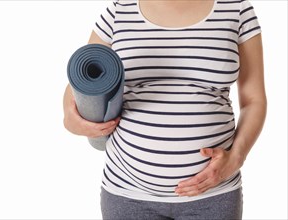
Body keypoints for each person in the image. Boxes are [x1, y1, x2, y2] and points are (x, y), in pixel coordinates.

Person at [63, 0, 267, 219]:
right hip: (127, 193)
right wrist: (70, 119)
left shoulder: (236, 8)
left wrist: (236, 158)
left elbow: (254, 99)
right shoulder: (120, 8)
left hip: (213, 195)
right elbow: (81, 79)